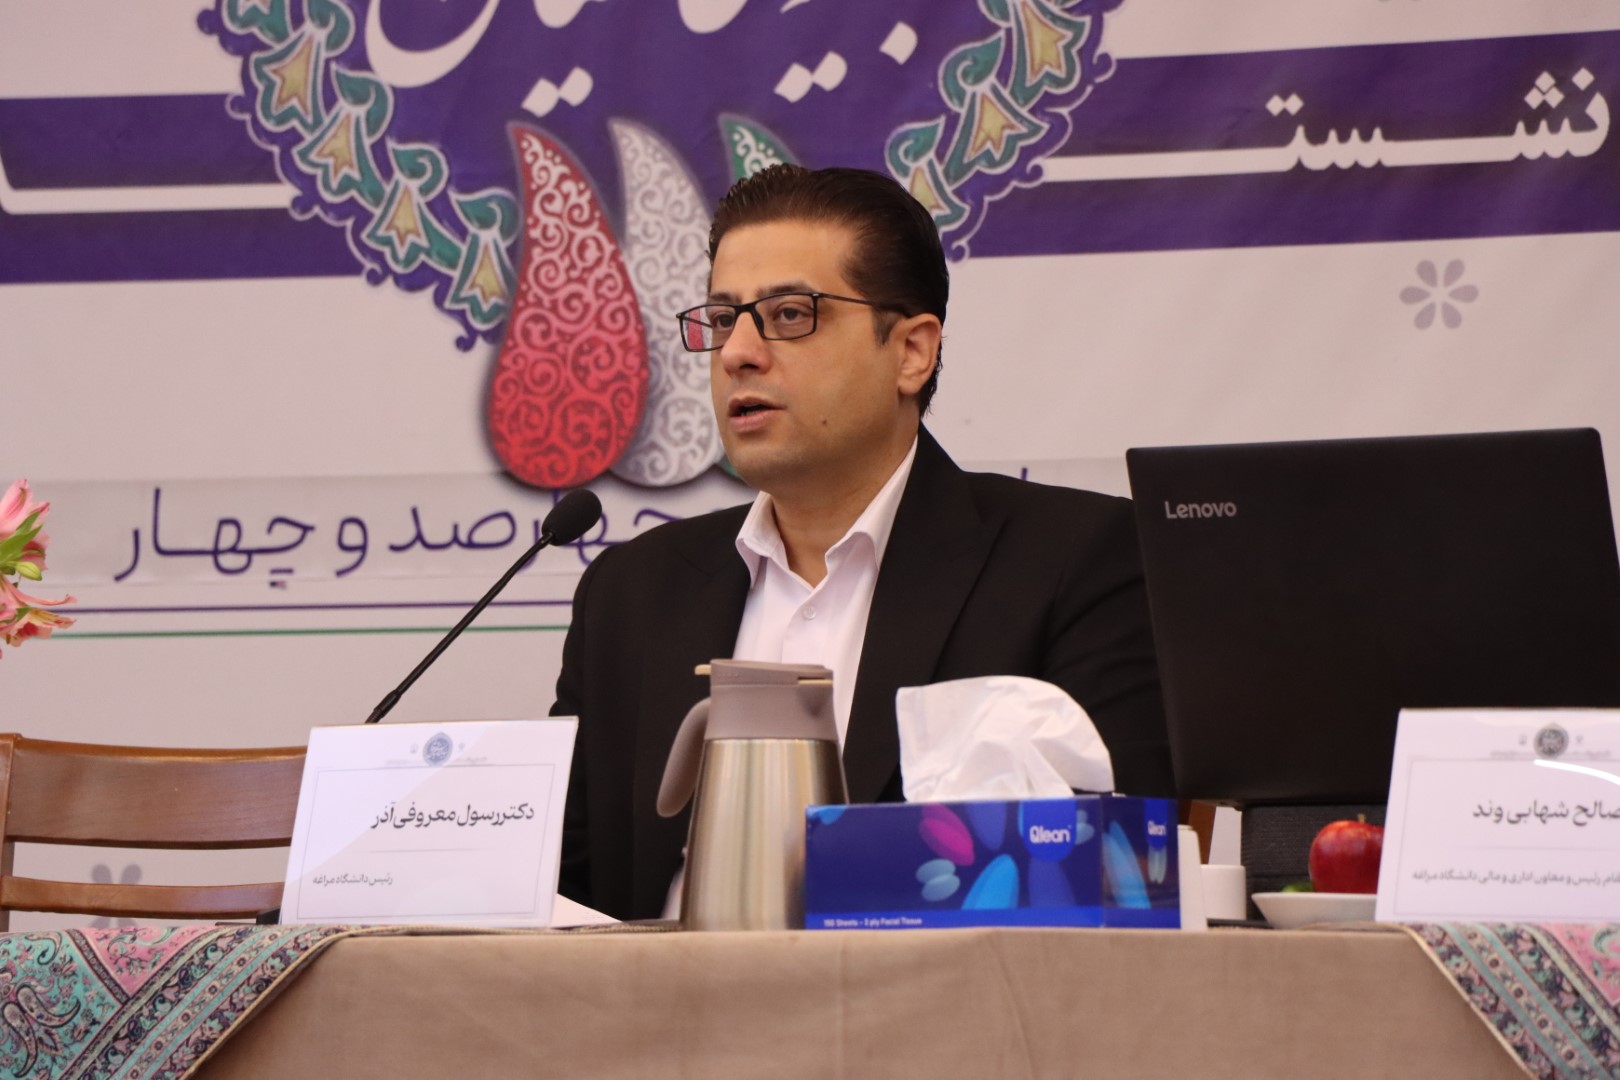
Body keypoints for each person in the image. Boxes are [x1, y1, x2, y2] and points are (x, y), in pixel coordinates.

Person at [551, 165, 1173, 920]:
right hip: (654, 994)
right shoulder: (632, 593)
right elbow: (555, 890)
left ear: (911, 352)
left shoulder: (1076, 562)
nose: (738, 353)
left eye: (788, 314)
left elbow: (1111, 881)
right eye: (722, 318)